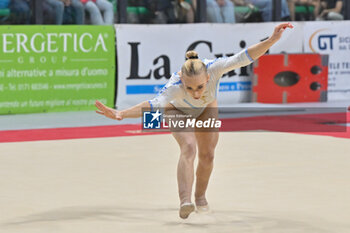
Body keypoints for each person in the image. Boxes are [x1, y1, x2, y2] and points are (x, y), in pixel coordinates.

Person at [95, 22, 294, 219]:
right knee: (189, 147)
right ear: (182, 81)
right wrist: (121, 114)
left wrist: (271, 40)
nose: (195, 93)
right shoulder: (175, 86)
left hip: (207, 109)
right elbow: (154, 104)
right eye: (189, 88)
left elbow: (245, 57)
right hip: (177, 111)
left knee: (207, 155)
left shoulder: (215, 68)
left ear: (208, 78)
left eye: (199, 87)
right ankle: (185, 201)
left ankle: (200, 197)